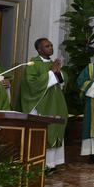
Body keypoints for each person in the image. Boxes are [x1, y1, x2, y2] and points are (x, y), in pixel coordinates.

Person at [20, 38, 69, 169]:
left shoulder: (53, 63)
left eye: (51, 45)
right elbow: (31, 83)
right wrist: (51, 72)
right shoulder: (33, 64)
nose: (51, 48)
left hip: (56, 102)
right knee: (45, 132)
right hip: (41, 103)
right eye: (47, 46)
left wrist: (58, 72)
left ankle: (53, 163)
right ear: (39, 49)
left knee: (56, 128)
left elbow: (63, 81)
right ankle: (41, 164)